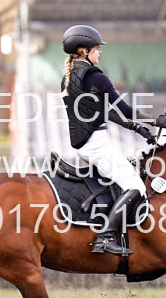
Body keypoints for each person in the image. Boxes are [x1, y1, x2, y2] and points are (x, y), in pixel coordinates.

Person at [60, 24, 157, 257]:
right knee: (136, 187)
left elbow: (104, 112)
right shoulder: (95, 77)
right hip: (97, 145)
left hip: (85, 144)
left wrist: (137, 128)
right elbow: (124, 108)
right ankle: (104, 237)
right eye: (96, 48)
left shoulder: (67, 79)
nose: (99, 52)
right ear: (84, 51)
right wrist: (155, 120)